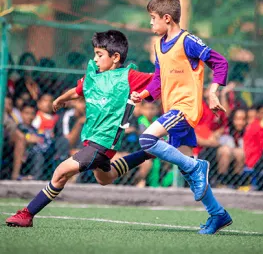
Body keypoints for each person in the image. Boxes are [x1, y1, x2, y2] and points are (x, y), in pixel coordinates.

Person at [6, 30, 154, 228]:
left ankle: (27, 214)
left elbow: (158, 80)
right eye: (95, 54)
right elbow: (78, 91)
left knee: (60, 173)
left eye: (99, 55)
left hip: (102, 143)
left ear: (115, 57)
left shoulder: (128, 76)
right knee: (105, 177)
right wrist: (60, 99)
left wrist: (160, 76)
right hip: (92, 141)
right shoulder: (94, 76)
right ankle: (147, 153)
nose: (95, 58)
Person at [131, 0, 233, 234]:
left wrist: (212, 91)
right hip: (173, 110)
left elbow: (220, 62)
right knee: (188, 169)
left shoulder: (188, 41)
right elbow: (158, 79)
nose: (151, 23)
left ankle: (198, 168)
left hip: (184, 108)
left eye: (153, 18)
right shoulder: (159, 45)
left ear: (167, 18)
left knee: (147, 139)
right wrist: (143, 95)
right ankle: (218, 214)